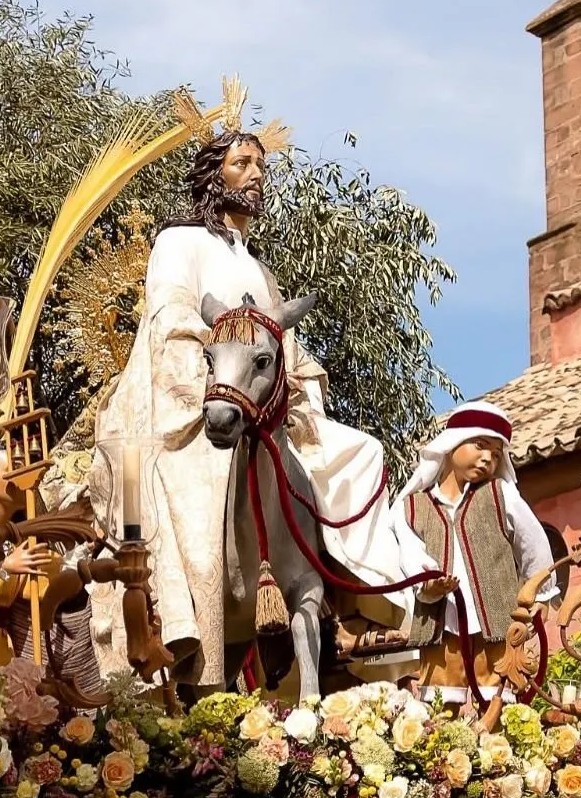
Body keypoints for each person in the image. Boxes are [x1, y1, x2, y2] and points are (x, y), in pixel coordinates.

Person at [91, 100, 404, 689]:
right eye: (243, 163)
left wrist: (301, 383)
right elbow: (167, 320)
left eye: (260, 165)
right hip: (203, 400)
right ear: (215, 175)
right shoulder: (179, 243)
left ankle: (344, 582)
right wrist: (218, 383)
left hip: (264, 402)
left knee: (362, 452)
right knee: (194, 500)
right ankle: (186, 615)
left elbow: (278, 339)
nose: (257, 174)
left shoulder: (259, 268)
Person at [391, 401, 557, 705]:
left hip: (496, 624)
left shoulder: (500, 494)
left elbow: (533, 541)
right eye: (480, 446)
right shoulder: (411, 508)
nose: (487, 459)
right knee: (441, 709)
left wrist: (541, 593)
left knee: (499, 705)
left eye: (495, 455)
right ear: (452, 443)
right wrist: (428, 583)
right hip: (440, 625)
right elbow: (409, 554)